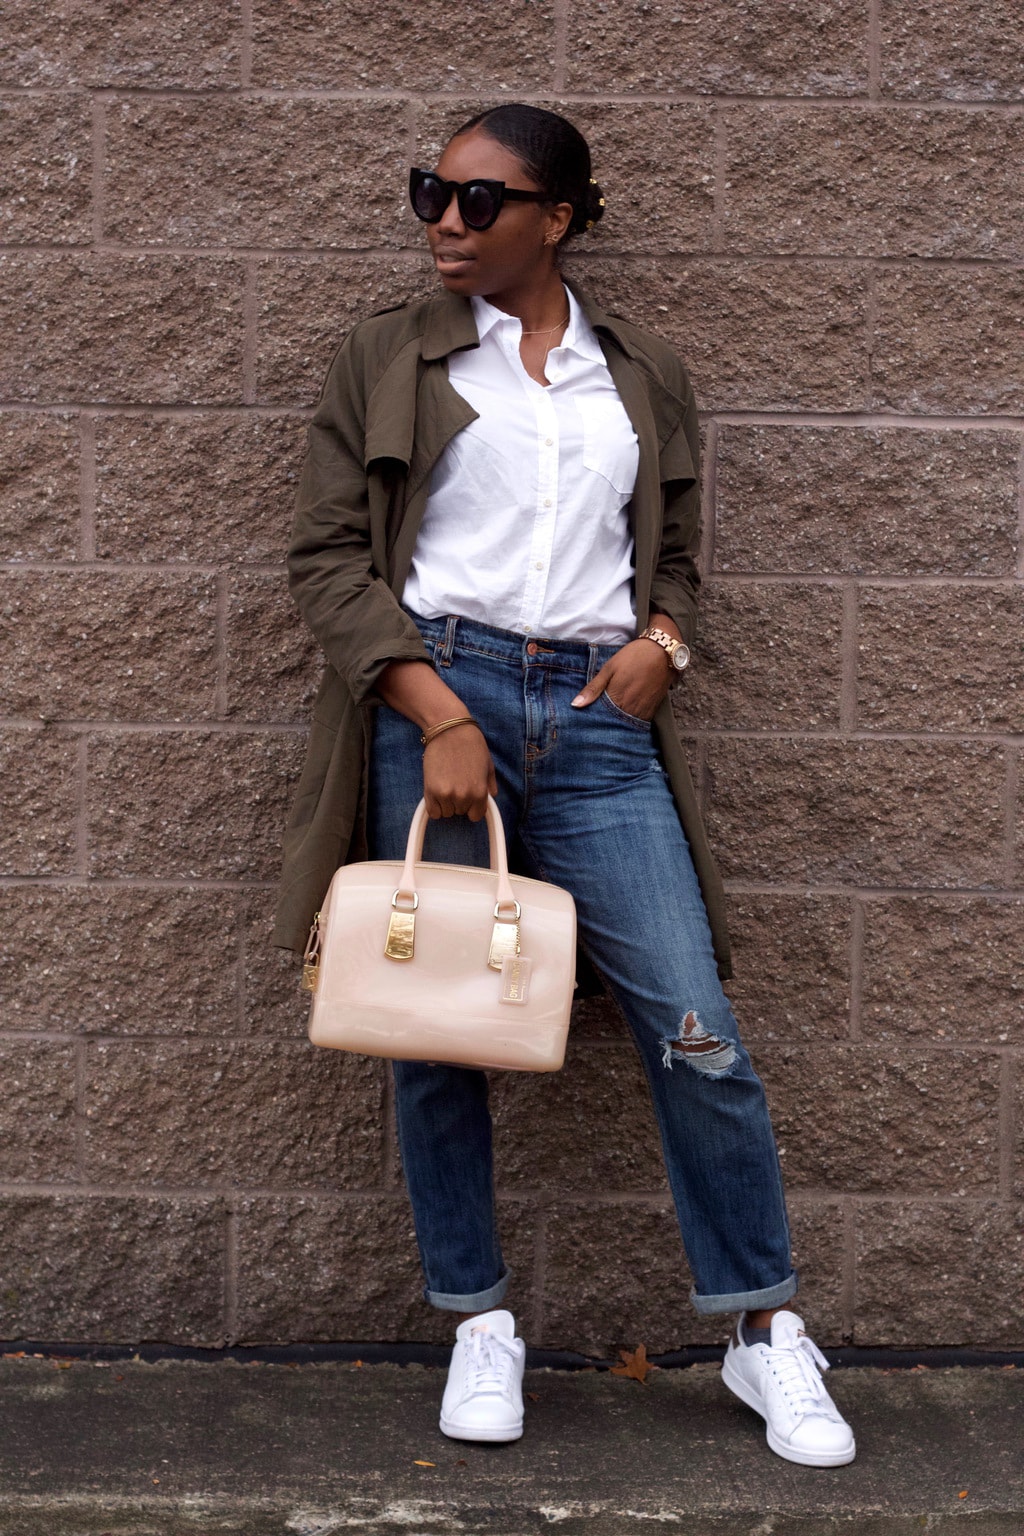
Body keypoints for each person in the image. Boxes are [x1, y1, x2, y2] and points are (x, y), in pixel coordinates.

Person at [276, 103, 855, 1468]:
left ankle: (765, 1335)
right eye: (433, 192)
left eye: (480, 202)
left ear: (562, 218)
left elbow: (682, 554)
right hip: (442, 694)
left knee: (695, 1026)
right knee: (436, 1023)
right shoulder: (387, 357)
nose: (444, 222)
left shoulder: (638, 374)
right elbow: (326, 562)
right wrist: (430, 706)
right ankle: (479, 1321)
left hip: (599, 724)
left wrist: (664, 644)